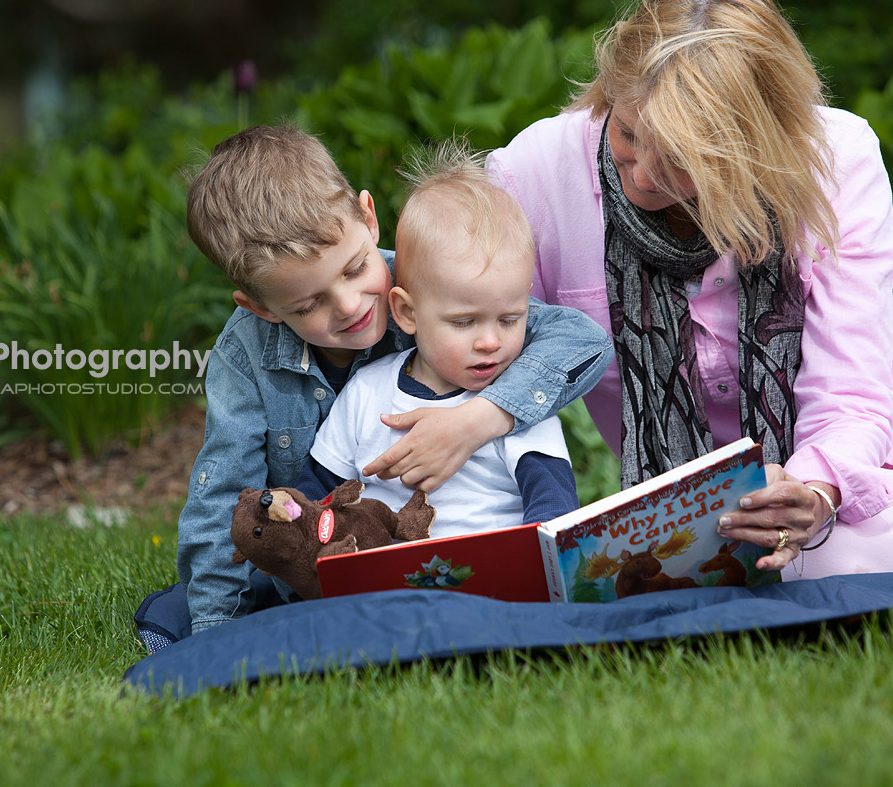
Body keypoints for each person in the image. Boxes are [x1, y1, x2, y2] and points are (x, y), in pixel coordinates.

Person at [486, 0, 893, 580]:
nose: (643, 176)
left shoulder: (835, 156)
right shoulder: (534, 176)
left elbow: (848, 394)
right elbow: (461, 324)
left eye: (681, 158)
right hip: (744, 506)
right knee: (760, 565)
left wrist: (814, 491)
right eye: (629, 133)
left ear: (750, 145)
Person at [177, 124, 613, 632]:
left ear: (368, 218)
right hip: (327, 566)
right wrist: (214, 631)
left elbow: (582, 340)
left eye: (355, 267)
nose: (350, 305)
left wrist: (476, 420)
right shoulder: (245, 353)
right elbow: (223, 495)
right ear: (262, 308)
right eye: (308, 304)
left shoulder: (431, 283)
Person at [299, 142, 580, 534]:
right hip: (386, 580)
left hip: (490, 575)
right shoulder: (367, 391)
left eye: (510, 319)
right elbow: (320, 491)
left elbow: (552, 506)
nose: (490, 342)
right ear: (408, 313)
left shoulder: (518, 403)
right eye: (464, 322)